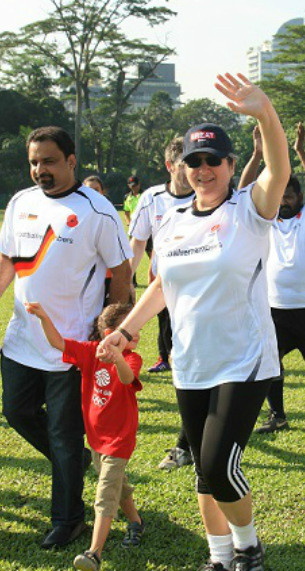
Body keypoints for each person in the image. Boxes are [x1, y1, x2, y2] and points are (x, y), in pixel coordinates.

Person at [98, 73, 289, 571]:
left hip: (244, 361)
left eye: (214, 161)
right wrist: (125, 331)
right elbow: (162, 283)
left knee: (219, 465)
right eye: (195, 161)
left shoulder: (250, 211)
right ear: (182, 168)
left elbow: (280, 165)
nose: (204, 170)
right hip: (191, 363)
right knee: (204, 475)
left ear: (230, 166)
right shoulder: (173, 220)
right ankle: (219, 561)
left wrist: (263, 112)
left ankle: (249, 550)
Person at [0, 125, 133, 549]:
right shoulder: (20, 202)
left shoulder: (97, 211)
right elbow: (7, 257)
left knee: (65, 435)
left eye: (48, 161)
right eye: (33, 162)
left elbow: (121, 273)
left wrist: (113, 331)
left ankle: (69, 519)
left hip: (71, 345)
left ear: (70, 161)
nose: (39, 170)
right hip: (22, 338)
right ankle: (76, 463)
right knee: (16, 411)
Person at [25, 301, 145, 571]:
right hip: (96, 438)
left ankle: (94, 553)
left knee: (105, 493)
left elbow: (128, 380)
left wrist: (116, 357)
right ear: (111, 333)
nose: (137, 334)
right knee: (118, 485)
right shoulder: (90, 352)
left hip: (119, 438)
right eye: (131, 329)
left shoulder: (131, 358)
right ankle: (136, 522)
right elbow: (58, 343)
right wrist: (43, 316)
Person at [246, 122, 305, 434]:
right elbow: (244, 191)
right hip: (274, 306)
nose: (284, 200)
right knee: (272, 362)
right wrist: (259, 154)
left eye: (290, 195)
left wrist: (300, 151)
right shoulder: (267, 218)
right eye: (281, 195)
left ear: (300, 197)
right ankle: (279, 416)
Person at [128, 138, 196, 471]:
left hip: (199, 296)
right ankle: (197, 433)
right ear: (171, 166)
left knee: (187, 365)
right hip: (163, 294)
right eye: (188, 163)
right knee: (177, 362)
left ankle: (186, 444)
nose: (196, 170)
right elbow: (138, 243)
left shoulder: (208, 195)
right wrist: (125, 285)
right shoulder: (151, 198)